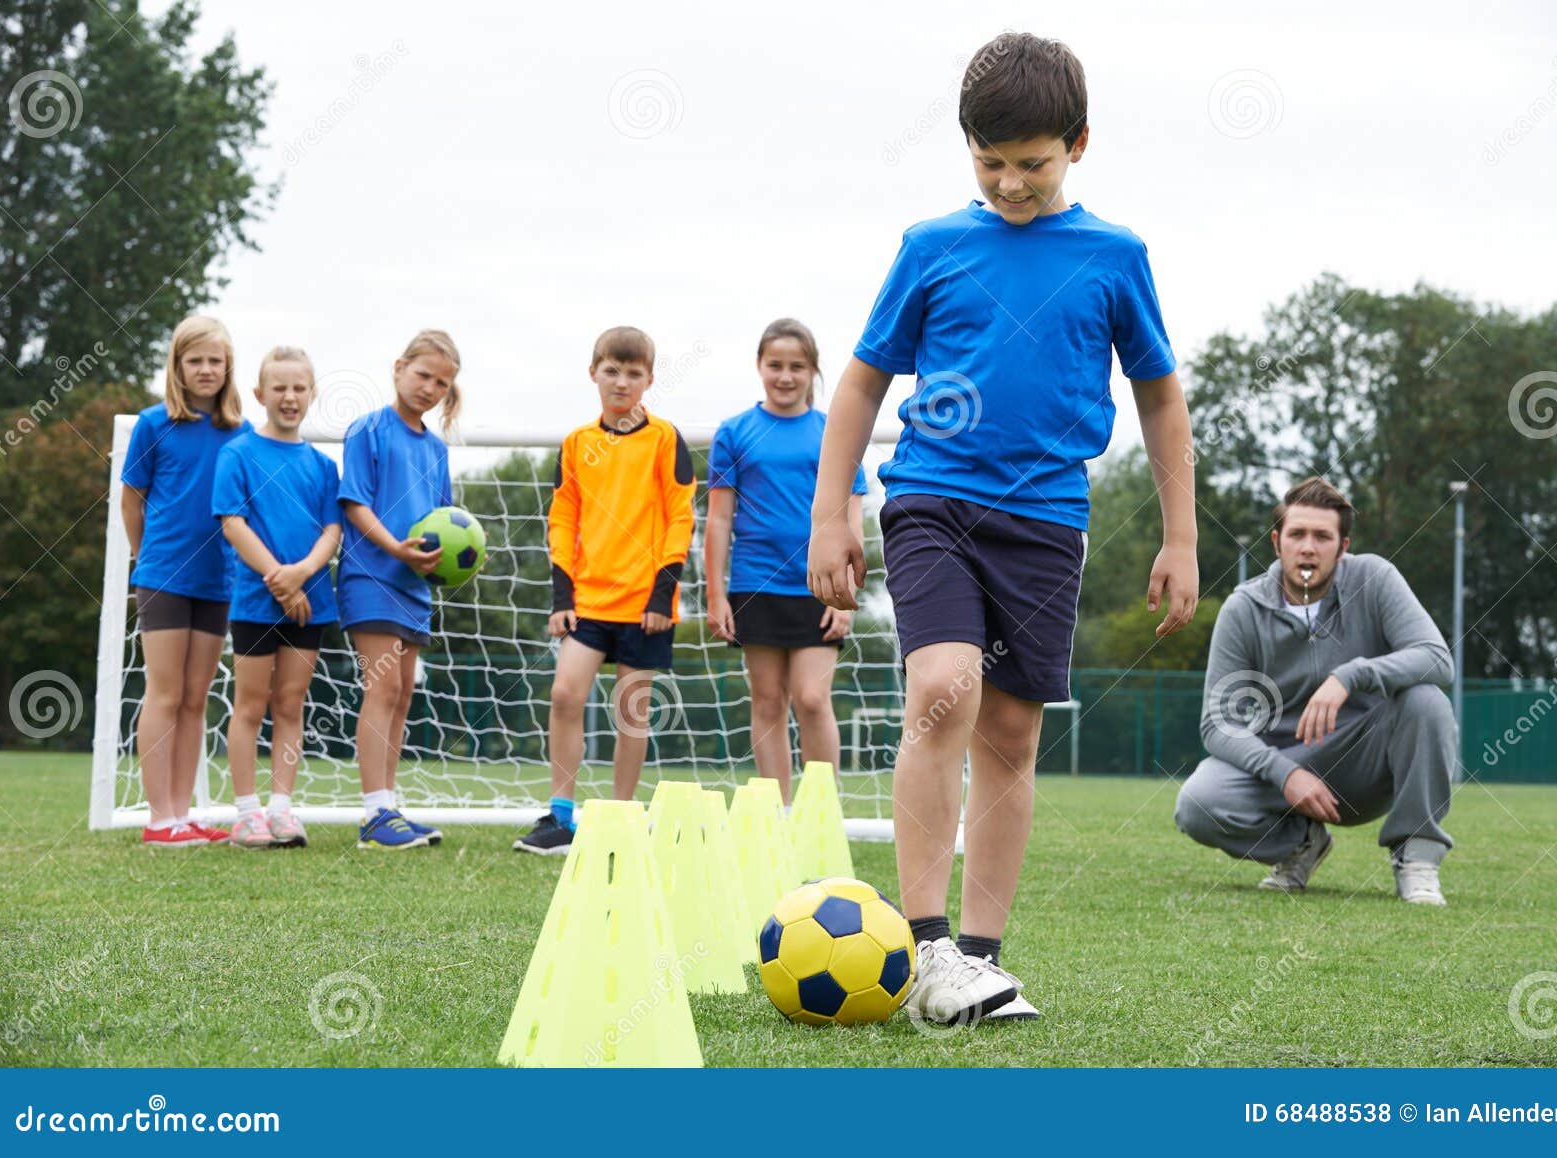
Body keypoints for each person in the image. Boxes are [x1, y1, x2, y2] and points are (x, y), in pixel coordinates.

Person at [808, 32, 1198, 1025]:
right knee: (942, 689)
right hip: (932, 497)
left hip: (1047, 519)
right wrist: (832, 512)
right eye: (990, 165)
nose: (1011, 184)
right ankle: (925, 947)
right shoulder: (932, 248)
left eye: (1032, 163)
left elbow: (1159, 397)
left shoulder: (1115, 258)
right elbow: (858, 382)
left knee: (1012, 734)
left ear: (1077, 143)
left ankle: (978, 958)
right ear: (965, 151)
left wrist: (1179, 536)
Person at [1175, 477, 1456, 905]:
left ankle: (1417, 858)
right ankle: (1300, 844)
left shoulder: (1376, 578)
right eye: (1297, 534)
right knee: (1197, 803)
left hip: (1366, 762)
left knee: (1427, 700)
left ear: (1342, 548)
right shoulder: (1244, 608)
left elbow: (1437, 658)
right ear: (1277, 542)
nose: (1308, 547)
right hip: (1283, 765)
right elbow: (1217, 722)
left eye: (1322, 536)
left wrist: (1350, 676)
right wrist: (1283, 772)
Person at [513, 326, 697, 855]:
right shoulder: (577, 444)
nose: (621, 381)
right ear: (593, 372)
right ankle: (561, 817)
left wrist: (663, 595)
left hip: (646, 605)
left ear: (649, 380)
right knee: (565, 694)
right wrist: (561, 596)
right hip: (588, 601)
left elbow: (679, 517)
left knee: (631, 710)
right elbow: (562, 519)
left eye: (633, 373)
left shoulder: (665, 438)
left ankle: (621, 817)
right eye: (611, 370)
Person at [704, 319, 868, 805]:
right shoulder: (734, 433)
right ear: (760, 366)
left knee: (813, 699)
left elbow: (852, 514)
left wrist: (846, 595)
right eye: (775, 365)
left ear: (813, 371)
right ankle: (777, 812)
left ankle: (821, 813)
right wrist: (716, 595)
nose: (785, 376)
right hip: (755, 583)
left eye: (797, 366)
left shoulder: (833, 432)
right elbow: (717, 521)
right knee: (768, 701)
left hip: (819, 587)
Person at [121, 315, 253, 847]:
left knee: (196, 699)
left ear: (228, 369)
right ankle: (159, 819)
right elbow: (132, 499)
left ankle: (182, 813)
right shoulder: (154, 425)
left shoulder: (242, 434)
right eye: (194, 360)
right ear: (177, 367)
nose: (205, 369)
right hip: (163, 577)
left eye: (214, 361)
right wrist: (142, 557)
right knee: (165, 692)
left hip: (218, 582)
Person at [213, 347, 342, 850]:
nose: (290, 397)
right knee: (249, 705)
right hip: (255, 601)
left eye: (299, 388)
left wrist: (304, 574)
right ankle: (246, 815)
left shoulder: (322, 465)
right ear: (260, 394)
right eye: (280, 388)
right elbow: (232, 523)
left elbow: (332, 529)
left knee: (291, 704)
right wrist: (277, 579)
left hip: (311, 601)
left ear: (311, 394)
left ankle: (282, 810)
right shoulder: (238, 454)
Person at [337, 329, 461, 850]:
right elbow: (354, 504)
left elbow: (445, 520)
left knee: (404, 695)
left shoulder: (435, 448)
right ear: (398, 368)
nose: (430, 387)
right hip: (370, 577)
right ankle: (372, 815)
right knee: (382, 690)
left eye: (442, 382)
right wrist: (394, 549)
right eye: (423, 374)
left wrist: (441, 562)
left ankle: (388, 806)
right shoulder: (367, 429)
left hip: (414, 587)